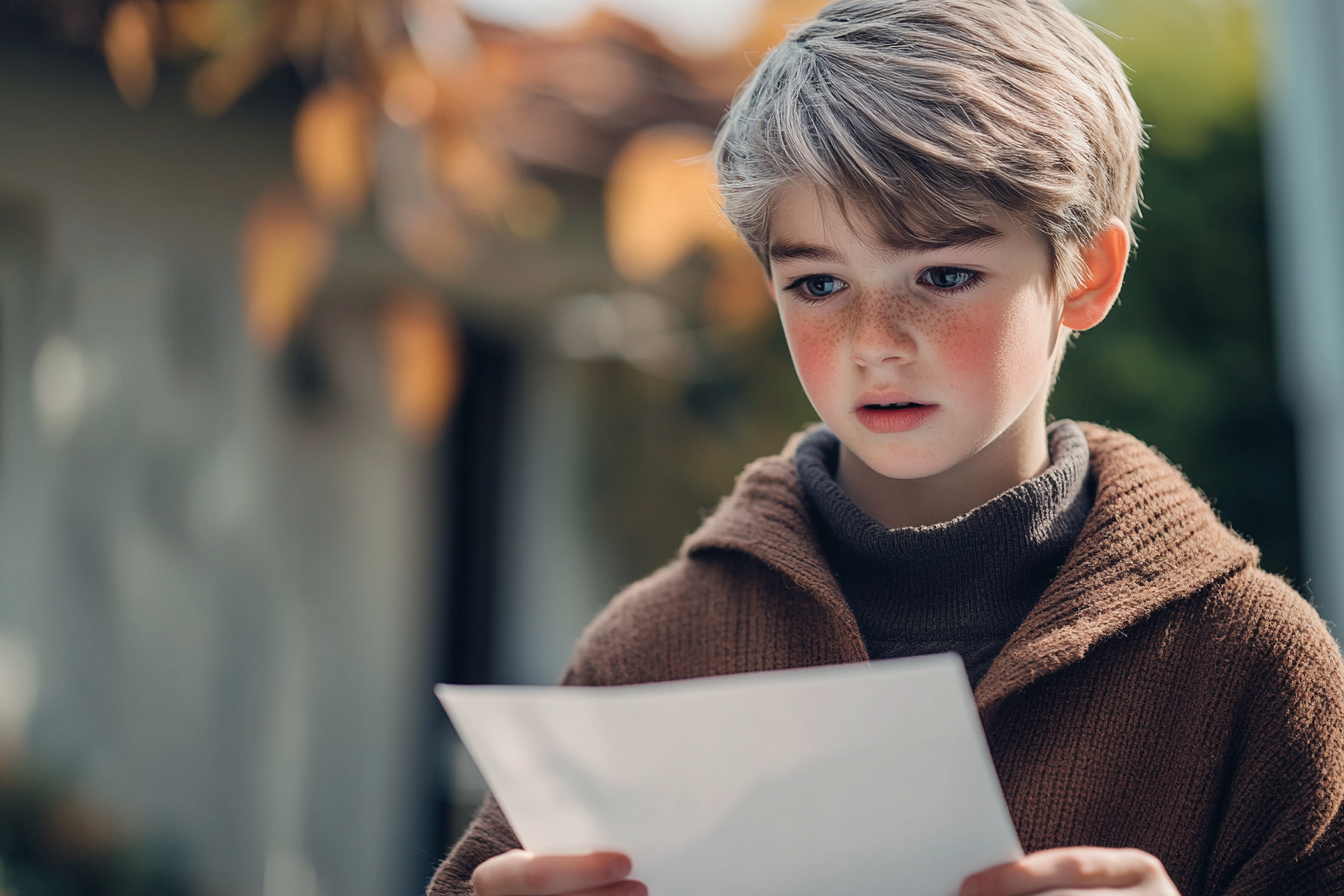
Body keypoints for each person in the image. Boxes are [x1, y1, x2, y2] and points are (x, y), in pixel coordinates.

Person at [428, 1, 1344, 894]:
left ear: (1086, 274)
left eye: (943, 274)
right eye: (820, 282)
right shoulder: (653, 652)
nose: (876, 339)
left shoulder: (1252, 665)